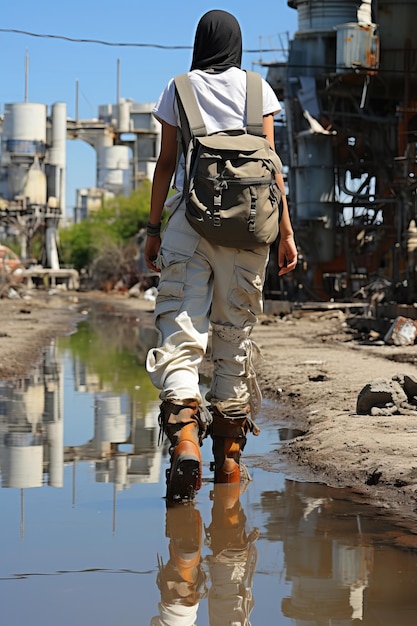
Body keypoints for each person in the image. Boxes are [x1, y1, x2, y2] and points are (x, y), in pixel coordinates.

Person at [145, 9, 297, 503]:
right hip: (250, 231)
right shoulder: (260, 90)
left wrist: (152, 230)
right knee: (233, 340)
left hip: (190, 224)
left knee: (181, 334)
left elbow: (167, 163)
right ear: (236, 44)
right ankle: (229, 468)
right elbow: (273, 169)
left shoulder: (179, 88)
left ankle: (185, 439)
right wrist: (286, 235)